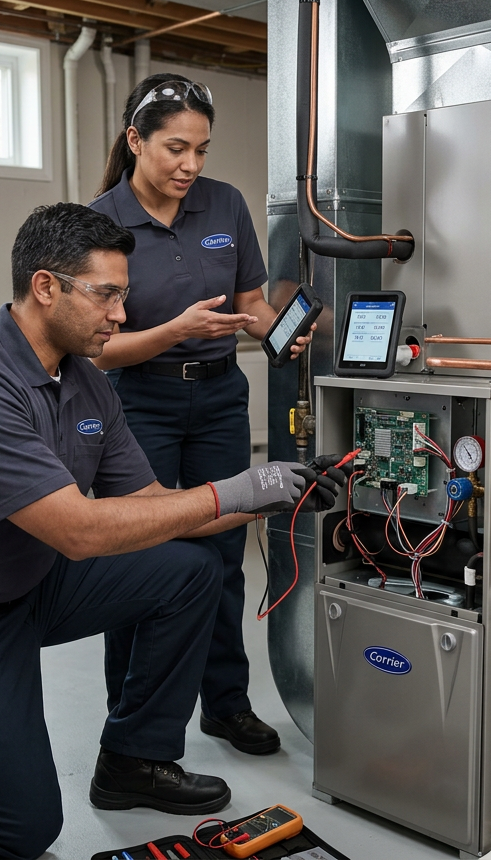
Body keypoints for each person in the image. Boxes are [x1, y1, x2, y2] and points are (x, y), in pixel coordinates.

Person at [0, 204, 346, 860]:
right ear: (45, 287)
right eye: (107, 295)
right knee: (19, 828)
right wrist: (238, 489)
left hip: (31, 588)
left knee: (190, 568)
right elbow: (80, 532)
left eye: (125, 295)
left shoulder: (87, 384)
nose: (121, 315)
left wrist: (280, 496)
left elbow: (153, 507)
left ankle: (133, 761)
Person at [90, 74, 312, 757]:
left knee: (219, 553)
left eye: (203, 151)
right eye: (175, 148)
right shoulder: (99, 224)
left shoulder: (224, 205)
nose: (191, 166)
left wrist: (281, 331)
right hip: (138, 403)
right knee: (143, 554)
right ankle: (131, 716)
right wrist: (171, 331)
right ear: (136, 141)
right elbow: (95, 349)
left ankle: (226, 704)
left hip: (218, 399)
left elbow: (250, 300)